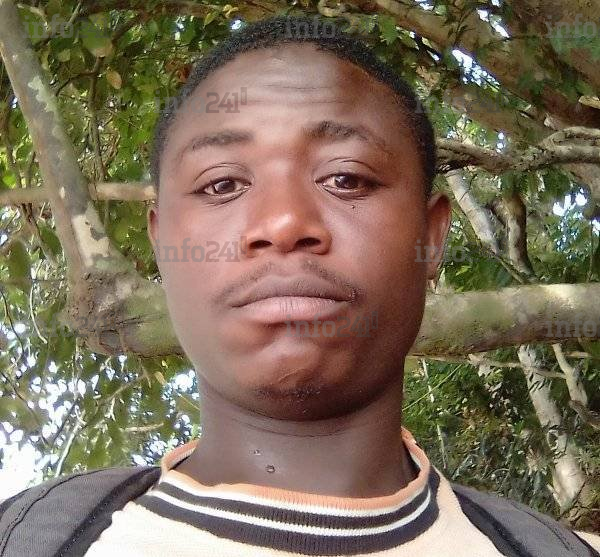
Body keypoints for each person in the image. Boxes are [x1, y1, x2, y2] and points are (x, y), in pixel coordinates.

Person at [2, 14, 599, 557]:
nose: (284, 223)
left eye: (346, 178)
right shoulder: (32, 537)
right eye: (221, 185)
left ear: (432, 236)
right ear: (162, 244)